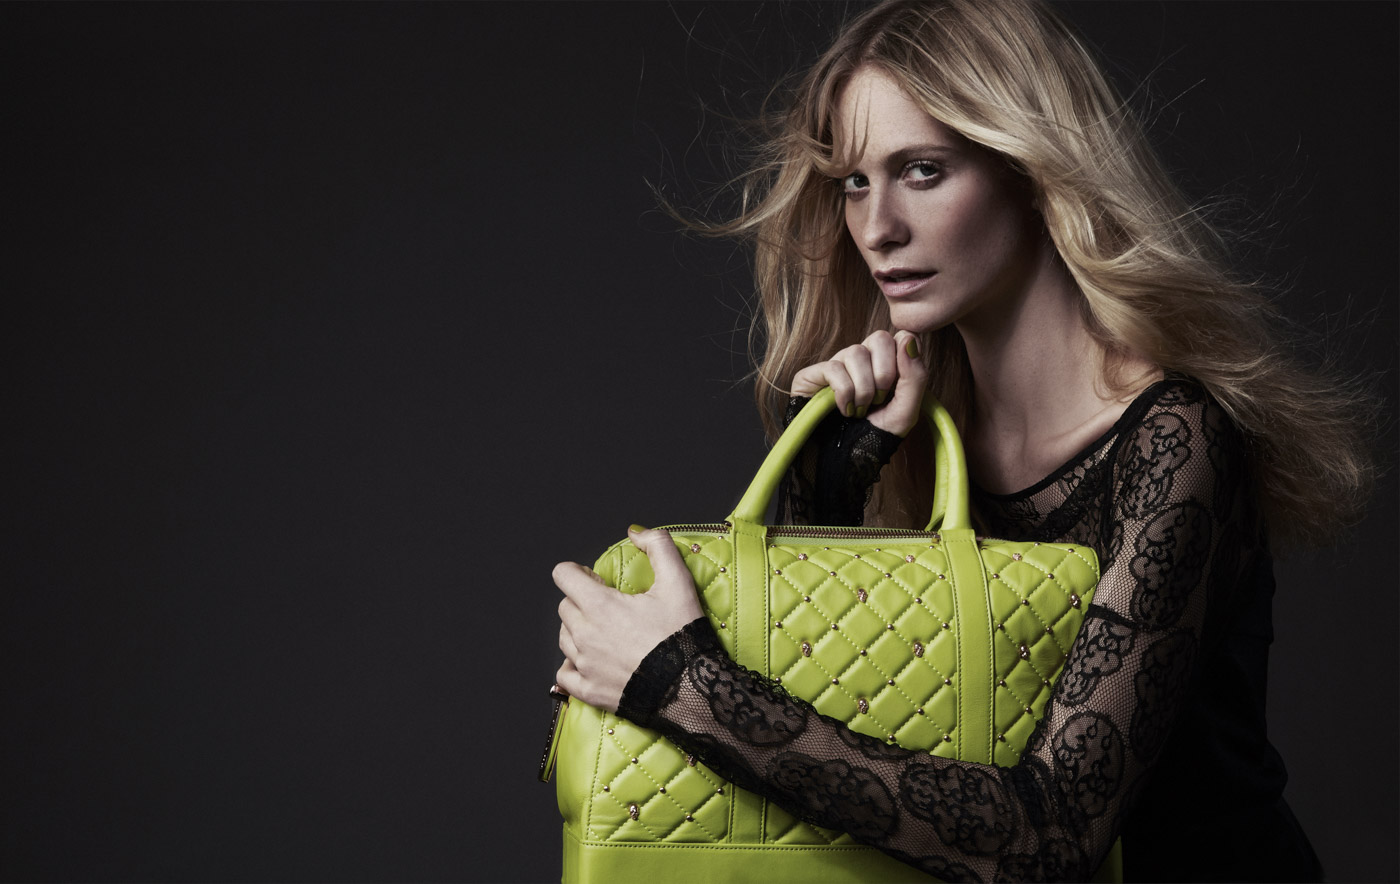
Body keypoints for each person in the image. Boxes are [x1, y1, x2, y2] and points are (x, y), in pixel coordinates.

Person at [552, 1, 1374, 880]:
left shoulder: (1177, 439)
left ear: (1033, 170)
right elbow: (865, 734)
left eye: (923, 170)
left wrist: (680, 684)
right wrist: (835, 487)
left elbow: (1048, 841)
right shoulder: (923, 436)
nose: (878, 227)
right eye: (855, 181)